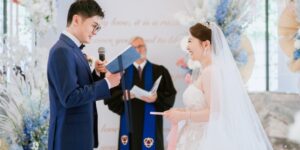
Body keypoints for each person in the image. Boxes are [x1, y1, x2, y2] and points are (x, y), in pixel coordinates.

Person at [164, 22, 273, 150]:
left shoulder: (211, 72)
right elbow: (202, 106)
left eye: (190, 41)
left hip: (203, 140)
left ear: (205, 44)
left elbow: (215, 112)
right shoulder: (205, 71)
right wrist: (180, 112)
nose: (187, 47)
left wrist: (184, 115)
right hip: (193, 136)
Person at [47, 0, 121, 149]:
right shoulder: (62, 51)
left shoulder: (74, 50)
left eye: (98, 28)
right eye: (94, 26)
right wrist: (107, 83)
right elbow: (69, 97)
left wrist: (96, 74)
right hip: (69, 140)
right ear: (76, 20)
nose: (95, 32)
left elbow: (79, 86)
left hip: (78, 138)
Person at [104, 36, 177, 150]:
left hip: (152, 125)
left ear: (146, 48)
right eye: (134, 47)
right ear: (129, 52)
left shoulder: (159, 71)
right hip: (130, 123)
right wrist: (123, 96)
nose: (139, 49)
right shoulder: (121, 73)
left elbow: (170, 95)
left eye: (141, 46)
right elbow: (110, 96)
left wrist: (156, 98)